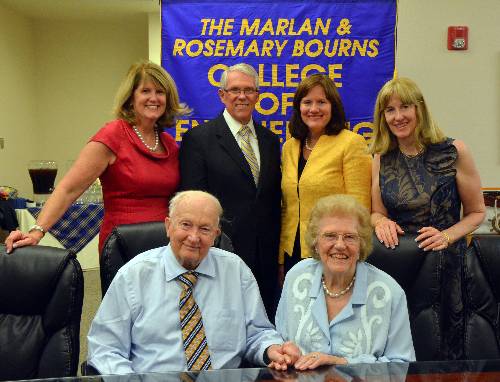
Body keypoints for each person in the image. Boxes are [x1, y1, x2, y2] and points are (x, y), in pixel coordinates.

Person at [87, 190, 300, 373]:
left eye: (205, 229)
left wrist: (271, 349)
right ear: (168, 226)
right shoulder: (133, 275)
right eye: (185, 225)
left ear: (216, 234)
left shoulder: (235, 271)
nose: (194, 237)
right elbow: (105, 348)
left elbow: (257, 332)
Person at [5, 60, 189, 254]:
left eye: (160, 92)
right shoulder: (113, 135)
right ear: (131, 98)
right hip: (124, 245)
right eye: (145, 91)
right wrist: (36, 231)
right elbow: (68, 189)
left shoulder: (169, 143)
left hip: (164, 244)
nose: (154, 98)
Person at [369, 77, 485, 359]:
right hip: (399, 268)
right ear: (383, 117)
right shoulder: (381, 157)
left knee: (443, 348)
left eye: (405, 107)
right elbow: (376, 212)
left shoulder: (454, 151)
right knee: (399, 348)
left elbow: (477, 212)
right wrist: (379, 222)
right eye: (390, 110)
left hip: (446, 266)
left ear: (420, 109)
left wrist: (446, 235)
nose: (398, 116)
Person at [179, 63, 281, 318]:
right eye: (235, 90)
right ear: (222, 95)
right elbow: (193, 201)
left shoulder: (270, 140)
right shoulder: (198, 139)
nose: (242, 96)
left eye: (249, 90)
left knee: (264, 321)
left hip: (266, 255)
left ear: (258, 96)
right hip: (222, 251)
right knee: (224, 320)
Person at [274, 194, 415, 370]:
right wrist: (283, 356)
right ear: (315, 242)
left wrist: (340, 362)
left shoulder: (389, 292)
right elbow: (279, 341)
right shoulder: (297, 277)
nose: (340, 245)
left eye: (349, 237)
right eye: (330, 236)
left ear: (362, 243)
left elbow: (402, 366)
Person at [280, 74, 372, 277]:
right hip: (293, 252)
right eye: (307, 102)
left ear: (333, 106)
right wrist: (280, 257)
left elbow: (361, 208)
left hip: (336, 252)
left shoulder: (351, 143)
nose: (313, 109)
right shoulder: (289, 146)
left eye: (321, 102)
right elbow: (287, 207)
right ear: (298, 107)